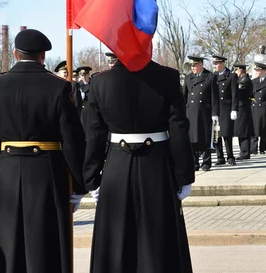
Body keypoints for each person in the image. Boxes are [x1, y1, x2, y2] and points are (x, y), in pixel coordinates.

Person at [0, 29, 87, 273]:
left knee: (9, 242)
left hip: (6, 171)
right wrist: (79, 184)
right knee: (45, 244)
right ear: (43, 56)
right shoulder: (59, 87)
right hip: (46, 173)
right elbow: (72, 140)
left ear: (16, 54)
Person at [82, 53, 195, 273]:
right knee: (158, 241)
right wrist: (184, 174)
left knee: (117, 239)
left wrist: (91, 178)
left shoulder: (101, 81)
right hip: (157, 165)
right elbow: (178, 128)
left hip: (117, 166)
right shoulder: (168, 77)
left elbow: (94, 134)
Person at [183, 56, 218, 171]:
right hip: (191, 112)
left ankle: (206, 162)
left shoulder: (210, 77)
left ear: (201, 65)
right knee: (192, 138)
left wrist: (214, 113)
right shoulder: (188, 78)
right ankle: (194, 162)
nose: (193, 67)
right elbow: (184, 97)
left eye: (195, 65)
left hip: (204, 112)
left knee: (204, 137)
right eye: (191, 65)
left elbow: (214, 97)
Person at [212, 55, 238, 166]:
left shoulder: (231, 76)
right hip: (216, 109)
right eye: (214, 64)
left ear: (222, 64)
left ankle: (230, 156)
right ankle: (220, 157)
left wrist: (234, 109)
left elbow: (235, 94)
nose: (215, 66)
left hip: (226, 109)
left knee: (227, 134)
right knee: (216, 134)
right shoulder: (213, 76)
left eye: (217, 63)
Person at [233, 64, 254, 160]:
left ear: (240, 71)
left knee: (244, 131)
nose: (235, 72)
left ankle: (245, 152)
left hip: (243, 108)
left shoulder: (245, 81)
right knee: (240, 131)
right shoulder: (240, 80)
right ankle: (243, 151)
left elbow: (240, 93)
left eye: (236, 70)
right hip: (240, 108)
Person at [251, 62, 266, 154]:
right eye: (256, 70)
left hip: (264, 108)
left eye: (258, 70)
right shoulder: (253, 81)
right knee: (254, 129)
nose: (256, 72)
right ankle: (253, 149)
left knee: (263, 129)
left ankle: (262, 148)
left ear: (263, 71)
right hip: (255, 108)